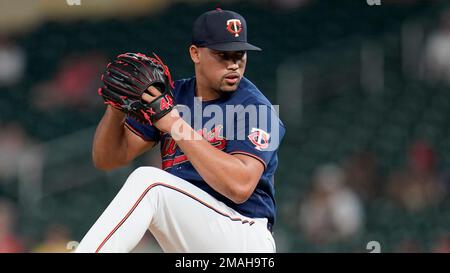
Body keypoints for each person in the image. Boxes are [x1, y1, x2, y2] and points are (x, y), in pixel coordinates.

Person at [75, 9, 285, 253]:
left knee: (150, 184)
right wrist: (117, 109)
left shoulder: (257, 108)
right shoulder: (175, 96)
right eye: (223, 55)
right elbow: (107, 159)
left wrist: (175, 125)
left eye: (239, 56)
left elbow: (240, 188)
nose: (233, 65)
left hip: (244, 236)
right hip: (195, 237)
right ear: (195, 53)